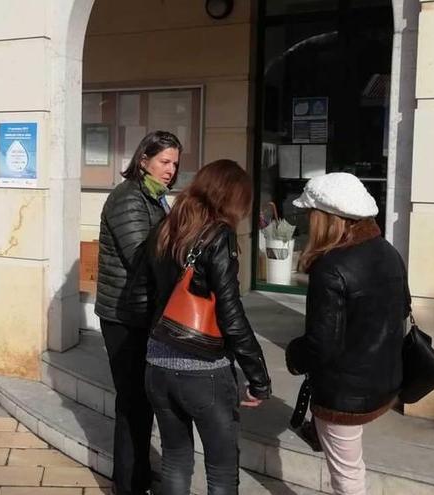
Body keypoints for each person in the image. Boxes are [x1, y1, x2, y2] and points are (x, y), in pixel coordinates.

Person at [146, 159, 271, 495]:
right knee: (220, 469)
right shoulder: (219, 234)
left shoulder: (168, 225)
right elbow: (231, 313)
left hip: (157, 363)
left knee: (174, 458)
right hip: (204, 371)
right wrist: (258, 377)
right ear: (232, 197)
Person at [285, 173, 409, 495]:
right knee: (352, 465)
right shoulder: (387, 251)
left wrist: (293, 354)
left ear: (325, 218)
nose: (308, 221)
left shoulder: (330, 267)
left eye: (311, 214)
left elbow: (321, 344)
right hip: (383, 380)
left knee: (347, 477)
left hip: (345, 395)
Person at [95, 130, 182, 495]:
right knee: (132, 402)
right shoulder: (128, 198)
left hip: (144, 313)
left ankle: (141, 472)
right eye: (164, 161)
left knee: (143, 399)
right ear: (143, 159)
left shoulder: (156, 197)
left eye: (175, 164)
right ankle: (128, 484)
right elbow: (142, 257)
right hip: (123, 316)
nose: (171, 170)